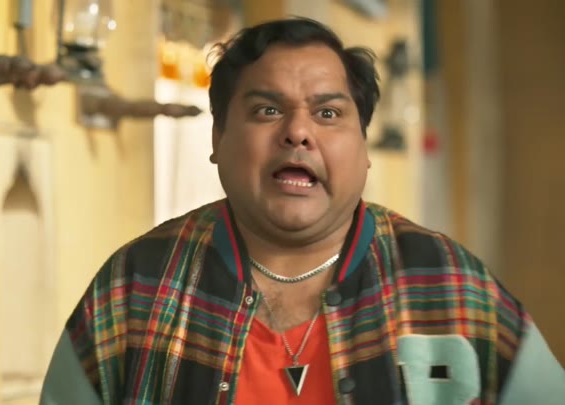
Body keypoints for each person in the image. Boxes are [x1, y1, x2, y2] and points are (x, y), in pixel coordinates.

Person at [40, 17, 564, 405]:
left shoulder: (447, 281)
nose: (297, 132)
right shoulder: (136, 285)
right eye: (267, 110)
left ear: (363, 147)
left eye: (328, 113)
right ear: (218, 138)